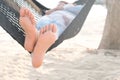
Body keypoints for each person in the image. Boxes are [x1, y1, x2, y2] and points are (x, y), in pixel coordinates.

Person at [19, 1, 83, 68]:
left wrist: (65, 7)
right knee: (46, 29)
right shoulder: (56, 10)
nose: (59, 4)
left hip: (62, 22)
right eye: (58, 4)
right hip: (48, 20)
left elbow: (80, 11)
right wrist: (55, 9)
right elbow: (47, 12)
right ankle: (35, 35)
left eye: (61, 3)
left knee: (53, 30)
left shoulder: (74, 8)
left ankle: (34, 39)